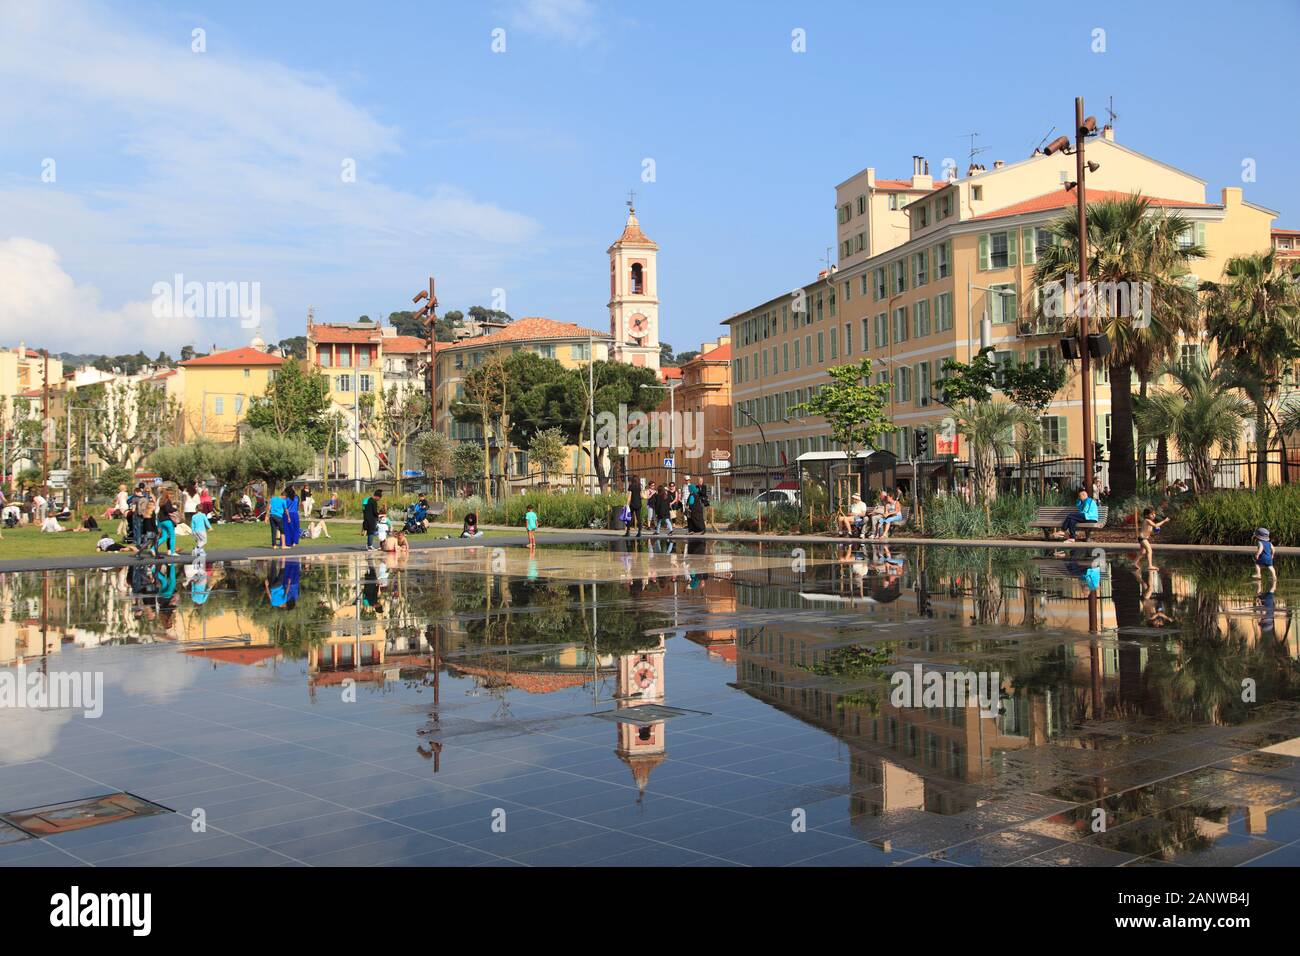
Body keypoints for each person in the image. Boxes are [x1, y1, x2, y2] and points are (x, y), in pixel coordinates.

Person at [155, 490, 178, 556]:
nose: (171, 495)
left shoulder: (161, 501)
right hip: (167, 520)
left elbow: (166, 509)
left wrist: (172, 508)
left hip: (161, 521)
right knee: (172, 536)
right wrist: (175, 509)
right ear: (167, 495)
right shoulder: (167, 501)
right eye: (170, 494)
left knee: (164, 537)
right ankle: (172, 552)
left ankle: (153, 549)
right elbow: (168, 510)